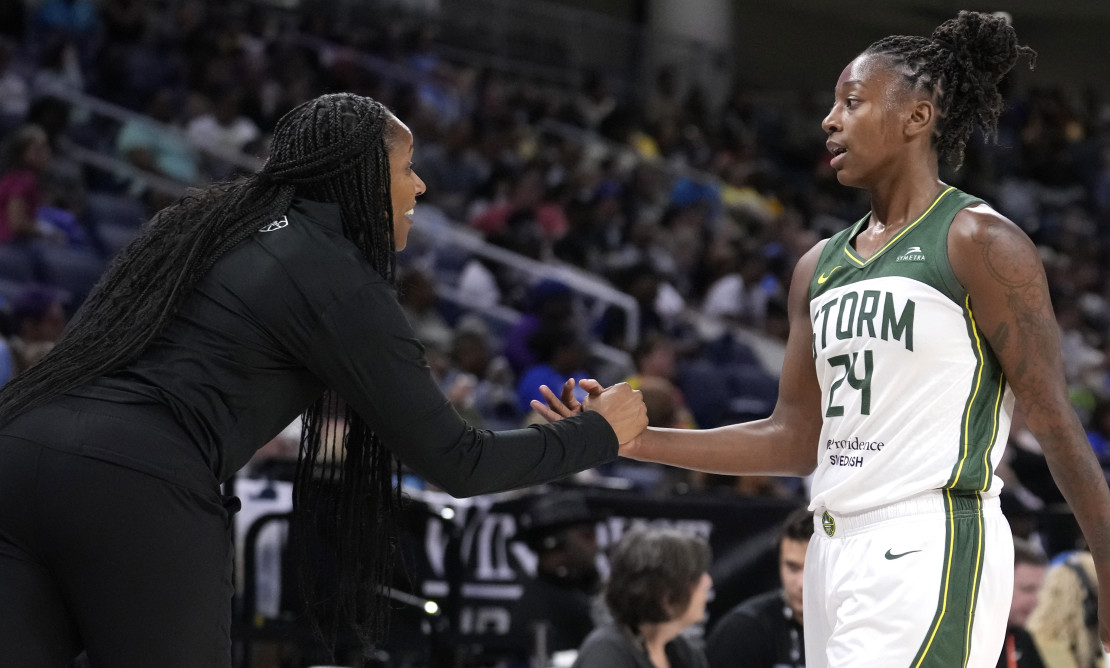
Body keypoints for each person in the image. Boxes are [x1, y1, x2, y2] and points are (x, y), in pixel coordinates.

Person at [535, 10, 1110, 666]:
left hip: (929, 539)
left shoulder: (979, 241)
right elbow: (794, 438)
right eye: (833, 105)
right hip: (831, 551)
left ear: (918, 117)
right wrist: (633, 440)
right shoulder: (818, 266)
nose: (830, 120)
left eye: (852, 102)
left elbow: (1054, 415)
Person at [0, 92, 647, 667]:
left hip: (20, 446)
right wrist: (599, 436)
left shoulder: (194, 224)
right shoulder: (334, 274)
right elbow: (460, 462)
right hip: (137, 479)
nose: (419, 187)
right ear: (365, 176)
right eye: (406, 168)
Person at [571, 526, 710, 668]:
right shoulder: (604, 651)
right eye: (695, 577)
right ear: (664, 594)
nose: (707, 582)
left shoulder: (682, 650)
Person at [706, 507, 812, 668]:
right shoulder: (742, 631)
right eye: (792, 567)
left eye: (812, 569)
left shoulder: (855, 622)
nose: (801, 584)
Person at [507, 491, 605, 663]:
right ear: (554, 544)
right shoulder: (537, 606)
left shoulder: (591, 592)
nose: (596, 545)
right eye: (588, 536)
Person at [997, 538, 1049, 668]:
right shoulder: (964, 640)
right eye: (1027, 589)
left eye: (1038, 590)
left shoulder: (1022, 639)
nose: (1036, 600)